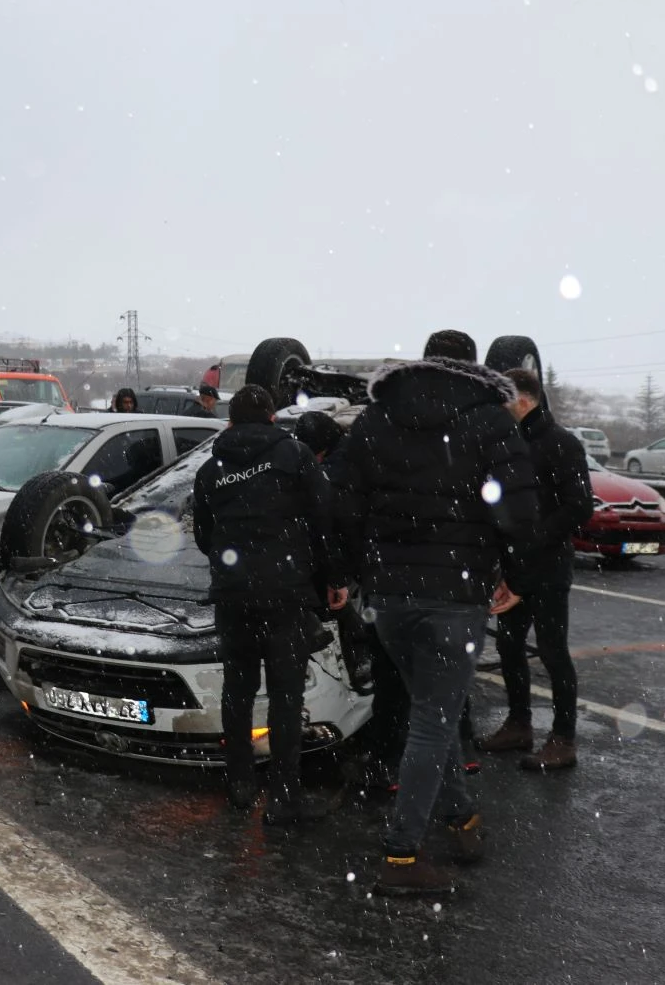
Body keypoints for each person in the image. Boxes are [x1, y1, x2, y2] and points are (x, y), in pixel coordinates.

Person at [328, 329, 537, 897]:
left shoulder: (377, 419)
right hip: (455, 594)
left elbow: (340, 499)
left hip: (389, 599)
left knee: (430, 712)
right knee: (433, 721)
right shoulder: (492, 421)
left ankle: (461, 821)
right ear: (471, 367)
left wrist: (352, 569)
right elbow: (519, 509)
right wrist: (517, 575)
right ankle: (402, 856)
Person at [194, 384, 347, 826]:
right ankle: (283, 796)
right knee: (285, 696)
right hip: (285, 593)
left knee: (237, 691)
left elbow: (205, 536)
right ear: (272, 418)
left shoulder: (211, 470)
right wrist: (334, 578)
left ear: (230, 421)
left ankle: (240, 781)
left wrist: (236, 563)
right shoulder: (296, 456)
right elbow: (323, 518)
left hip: (233, 596)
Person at [476, 368, 593, 771]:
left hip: (547, 567)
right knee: (508, 646)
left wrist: (533, 540)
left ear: (524, 400)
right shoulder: (508, 443)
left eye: (504, 400)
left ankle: (563, 739)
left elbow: (579, 507)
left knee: (552, 651)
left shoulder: (560, 444)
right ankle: (519, 724)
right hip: (512, 567)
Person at [295, 409, 408, 790]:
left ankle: (385, 756)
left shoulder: (337, 473)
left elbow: (338, 526)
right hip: (399, 576)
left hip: (372, 574)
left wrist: (339, 575)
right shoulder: (379, 461)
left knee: (383, 660)